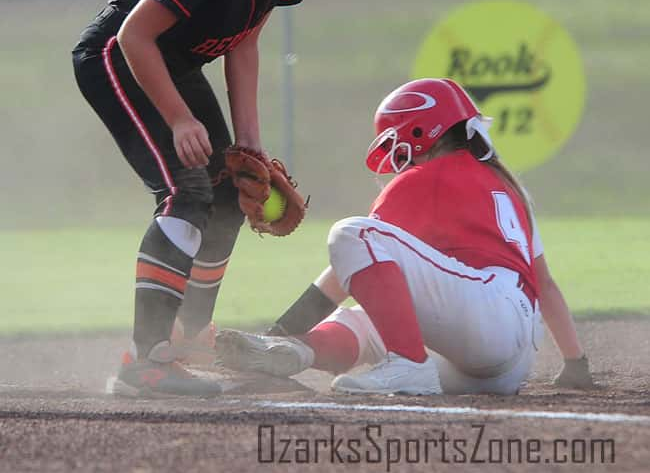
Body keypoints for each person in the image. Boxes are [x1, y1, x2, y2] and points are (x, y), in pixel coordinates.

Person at [72, 0, 345, 397]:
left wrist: (250, 143)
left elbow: (244, 42)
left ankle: (188, 334)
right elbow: (132, 37)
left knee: (228, 193)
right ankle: (145, 363)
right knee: (186, 192)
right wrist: (177, 118)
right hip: (117, 57)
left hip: (172, 62)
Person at [215, 77, 595, 395]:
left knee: (353, 235)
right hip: (508, 360)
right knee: (368, 319)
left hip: (486, 320)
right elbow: (543, 282)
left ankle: (406, 363)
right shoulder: (509, 188)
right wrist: (575, 362)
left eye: (396, 142)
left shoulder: (425, 178)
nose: (398, 159)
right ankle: (297, 352)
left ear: (419, 130)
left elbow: (344, 272)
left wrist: (281, 325)